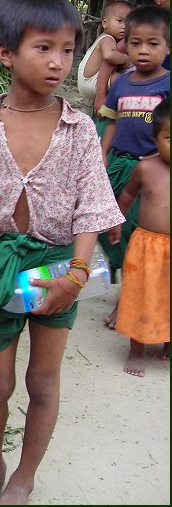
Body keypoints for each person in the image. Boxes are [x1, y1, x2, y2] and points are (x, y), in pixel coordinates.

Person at [0, 0, 124, 505]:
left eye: (68, 50)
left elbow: (92, 207)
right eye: (44, 48)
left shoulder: (79, 130)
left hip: (56, 267)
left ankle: (24, 477)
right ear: (6, 53)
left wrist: (76, 276)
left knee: (44, 380)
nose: (58, 62)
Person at [97, 5, 170, 327]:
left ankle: (127, 300)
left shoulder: (167, 84)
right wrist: (103, 153)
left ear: (168, 47)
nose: (143, 50)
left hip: (153, 172)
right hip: (120, 165)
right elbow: (112, 122)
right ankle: (123, 279)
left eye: (153, 43)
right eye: (135, 42)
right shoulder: (123, 83)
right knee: (108, 226)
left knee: (140, 236)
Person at [109, 95, 170, 376]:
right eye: (169, 138)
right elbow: (127, 196)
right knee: (141, 295)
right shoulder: (145, 167)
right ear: (155, 138)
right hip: (147, 245)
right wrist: (116, 223)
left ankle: (167, 343)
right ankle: (136, 350)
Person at [76, 0, 131, 118]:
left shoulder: (104, 38)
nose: (124, 26)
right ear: (105, 23)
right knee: (121, 79)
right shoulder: (107, 39)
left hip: (86, 83)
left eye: (128, 22)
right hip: (92, 82)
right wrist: (126, 59)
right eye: (120, 21)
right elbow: (109, 56)